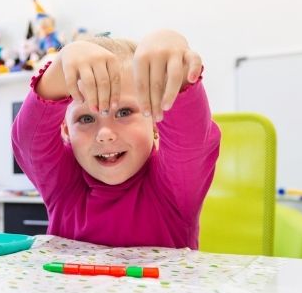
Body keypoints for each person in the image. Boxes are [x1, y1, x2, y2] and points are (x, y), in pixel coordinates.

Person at [11, 30, 220, 248]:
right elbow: (28, 141)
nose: (105, 134)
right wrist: (59, 67)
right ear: (66, 130)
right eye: (86, 118)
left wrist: (174, 66)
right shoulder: (63, 185)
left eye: (124, 112)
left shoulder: (175, 187)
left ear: (155, 121)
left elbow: (190, 140)